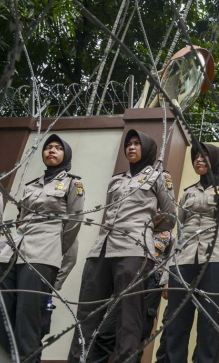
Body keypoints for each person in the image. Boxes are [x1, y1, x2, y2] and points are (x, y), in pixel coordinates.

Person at [68, 129, 175, 363]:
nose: (131, 147)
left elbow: (170, 216)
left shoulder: (158, 177)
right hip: (102, 249)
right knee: (86, 314)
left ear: (147, 149)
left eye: (137, 143)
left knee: (129, 318)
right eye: (129, 144)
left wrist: (145, 228)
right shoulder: (116, 180)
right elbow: (109, 213)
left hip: (134, 251)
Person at [0, 134, 85, 362]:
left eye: (57, 148)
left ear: (66, 154)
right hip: (11, 255)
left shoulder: (73, 184)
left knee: (28, 323)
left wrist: (54, 250)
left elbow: (73, 223)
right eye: (48, 148)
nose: (51, 151)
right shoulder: (31, 185)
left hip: (42, 256)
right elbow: (21, 219)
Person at [166, 142, 219, 363]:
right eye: (195, 157)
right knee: (176, 322)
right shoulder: (188, 193)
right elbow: (179, 232)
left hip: (217, 259)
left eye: (203, 156)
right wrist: (167, 274)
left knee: (209, 324)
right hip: (183, 259)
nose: (198, 160)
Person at [90, 230, 174, 363]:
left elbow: (171, 260)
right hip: (128, 278)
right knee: (106, 332)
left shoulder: (169, 237)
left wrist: (166, 281)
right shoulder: (134, 227)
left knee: (138, 336)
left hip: (152, 283)